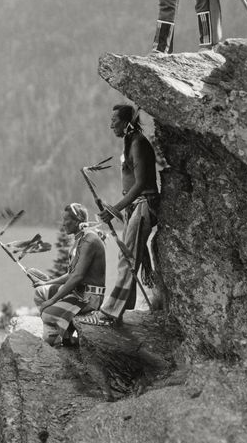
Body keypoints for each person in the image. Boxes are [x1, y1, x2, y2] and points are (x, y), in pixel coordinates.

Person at [82, 104, 159, 326]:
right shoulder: (131, 143)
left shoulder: (138, 144)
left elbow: (142, 183)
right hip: (135, 206)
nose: (110, 125)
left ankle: (110, 312)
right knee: (126, 255)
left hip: (144, 205)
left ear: (126, 122)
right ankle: (125, 307)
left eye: (114, 121)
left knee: (128, 257)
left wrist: (113, 209)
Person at [29, 202, 106, 346]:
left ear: (77, 221)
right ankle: (63, 333)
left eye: (66, 220)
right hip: (79, 293)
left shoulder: (89, 241)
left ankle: (58, 336)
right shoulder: (81, 239)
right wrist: (46, 283)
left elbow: (77, 277)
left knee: (47, 313)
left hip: (89, 298)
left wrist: (52, 301)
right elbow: (71, 274)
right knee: (40, 292)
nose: (63, 223)